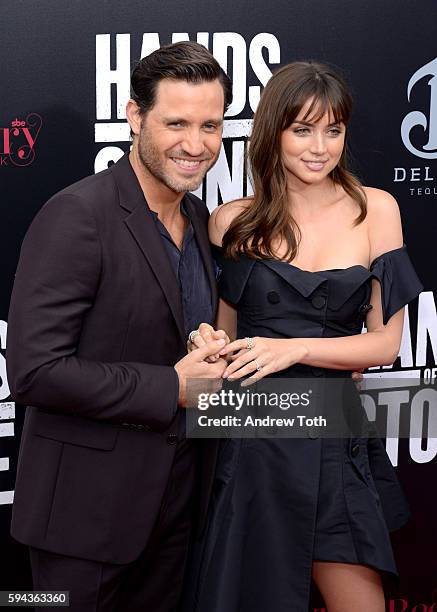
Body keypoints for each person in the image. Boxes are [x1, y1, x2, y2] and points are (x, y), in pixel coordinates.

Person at [184, 61, 423, 612]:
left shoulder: (377, 210)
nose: (320, 147)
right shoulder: (231, 222)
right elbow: (222, 338)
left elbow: (384, 345)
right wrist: (210, 347)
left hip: (334, 436)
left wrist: (293, 348)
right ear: (273, 133)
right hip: (251, 436)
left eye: (333, 130)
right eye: (303, 129)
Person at [6, 41, 232, 612]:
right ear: (135, 117)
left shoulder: (197, 217)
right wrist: (173, 387)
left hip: (178, 507)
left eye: (211, 125)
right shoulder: (78, 214)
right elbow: (34, 371)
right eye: (176, 122)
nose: (196, 144)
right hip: (83, 523)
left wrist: (208, 351)